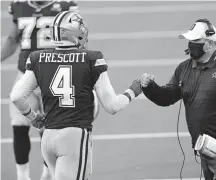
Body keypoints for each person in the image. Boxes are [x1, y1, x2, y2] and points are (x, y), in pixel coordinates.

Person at [10, 11, 142, 180]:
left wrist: (33, 117)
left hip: (48, 138)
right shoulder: (92, 59)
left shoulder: (38, 58)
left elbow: (16, 96)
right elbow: (112, 106)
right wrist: (132, 91)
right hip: (74, 136)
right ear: (73, 33)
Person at [140, 18, 216, 180]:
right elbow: (167, 97)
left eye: (195, 41)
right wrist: (150, 87)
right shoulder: (185, 68)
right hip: (206, 149)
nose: (190, 45)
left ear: (209, 44)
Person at [0, 1, 82, 180]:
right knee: (19, 126)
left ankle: (48, 173)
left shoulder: (65, 5)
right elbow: (14, 38)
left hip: (53, 76)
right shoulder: (19, 5)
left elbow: (78, 40)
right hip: (25, 73)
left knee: (50, 130)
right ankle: (22, 176)